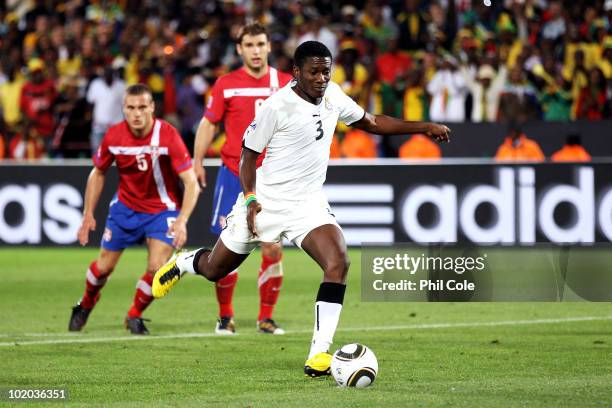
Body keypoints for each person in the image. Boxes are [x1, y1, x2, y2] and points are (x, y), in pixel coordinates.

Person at [152, 41, 449, 376]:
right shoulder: (276, 106)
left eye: (326, 70)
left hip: (307, 203)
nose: (322, 78)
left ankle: (318, 354)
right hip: (266, 202)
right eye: (314, 72)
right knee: (214, 270)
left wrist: (423, 126)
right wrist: (250, 200)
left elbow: (372, 122)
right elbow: (248, 156)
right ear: (296, 73)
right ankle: (186, 262)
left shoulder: (333, 94)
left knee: (338, 261)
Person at [68, 84, 199, 335]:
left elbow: (191, 181)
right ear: (123, 109)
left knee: (157, 268)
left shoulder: (168, 135)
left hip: (163, 210)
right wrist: (88, 213)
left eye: (142, 107)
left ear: (152, 108)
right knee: (103, 268)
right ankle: (86, 303)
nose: (137, 113)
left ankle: (134, 315)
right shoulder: (114, 137)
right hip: (125, 209)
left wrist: (182, 219)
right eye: (130, 108)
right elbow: (98, 173)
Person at [193, 23, 293, 335]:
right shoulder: (226, 84)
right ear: (239, 49)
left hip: (270, 179)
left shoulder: (286, 83)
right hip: (231, 175)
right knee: (225, 251)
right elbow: (209, 124)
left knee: (272, 248)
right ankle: (225, 317)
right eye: (249, 45)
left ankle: (266, 318)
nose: (255, 50)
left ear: (268, 47)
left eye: (260, 44)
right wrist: (197, 161)